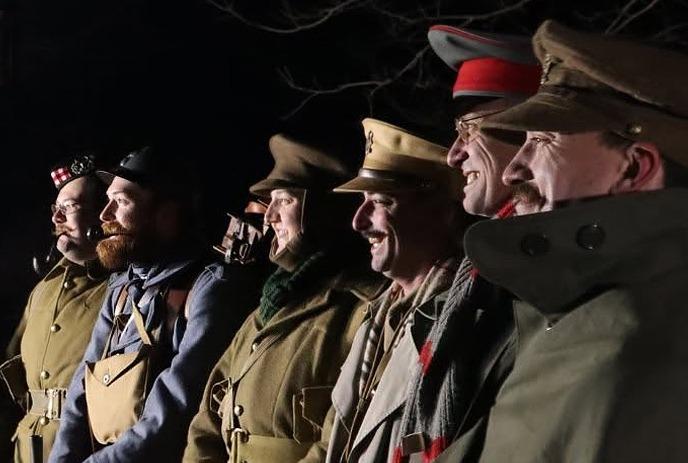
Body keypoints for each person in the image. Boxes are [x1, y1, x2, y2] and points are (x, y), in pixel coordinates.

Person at [457, 19, 688, 462]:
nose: (513, 170)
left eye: (541, 141)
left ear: (634, 167)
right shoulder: (581, 307)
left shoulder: (639, 340)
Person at [182, 134, 387, 463]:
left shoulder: (363, 307)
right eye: (271, 202)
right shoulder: (269, 304)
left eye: (285, 201)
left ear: (323, 210)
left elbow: (339, 440)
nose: (269, 216)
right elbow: (207, 419)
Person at [392, 26, 541, 462]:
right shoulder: (479, 278)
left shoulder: (531, 280)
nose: (453, 154)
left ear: (527, 131)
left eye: (470, 129)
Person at [48, 146, 251, 462]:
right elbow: (81, 391)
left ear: (166, 214)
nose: (105, 215)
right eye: (108, 200)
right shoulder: (122, 289)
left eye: (122, 202)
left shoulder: (207, 286)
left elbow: (174, 409)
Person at [324, 118, 466, 463]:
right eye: (362, 201)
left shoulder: (462, 322)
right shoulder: (377, 315)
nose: (359, 221)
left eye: (381, 201)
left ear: (442, 211)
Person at [0, 155, 108, 463]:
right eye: (55, 209)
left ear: (103, 215)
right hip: (28, 448)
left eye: (70, 207)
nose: (57, 219)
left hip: (86, 449)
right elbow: (10, 373)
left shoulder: (123, 289)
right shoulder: (43, 290)